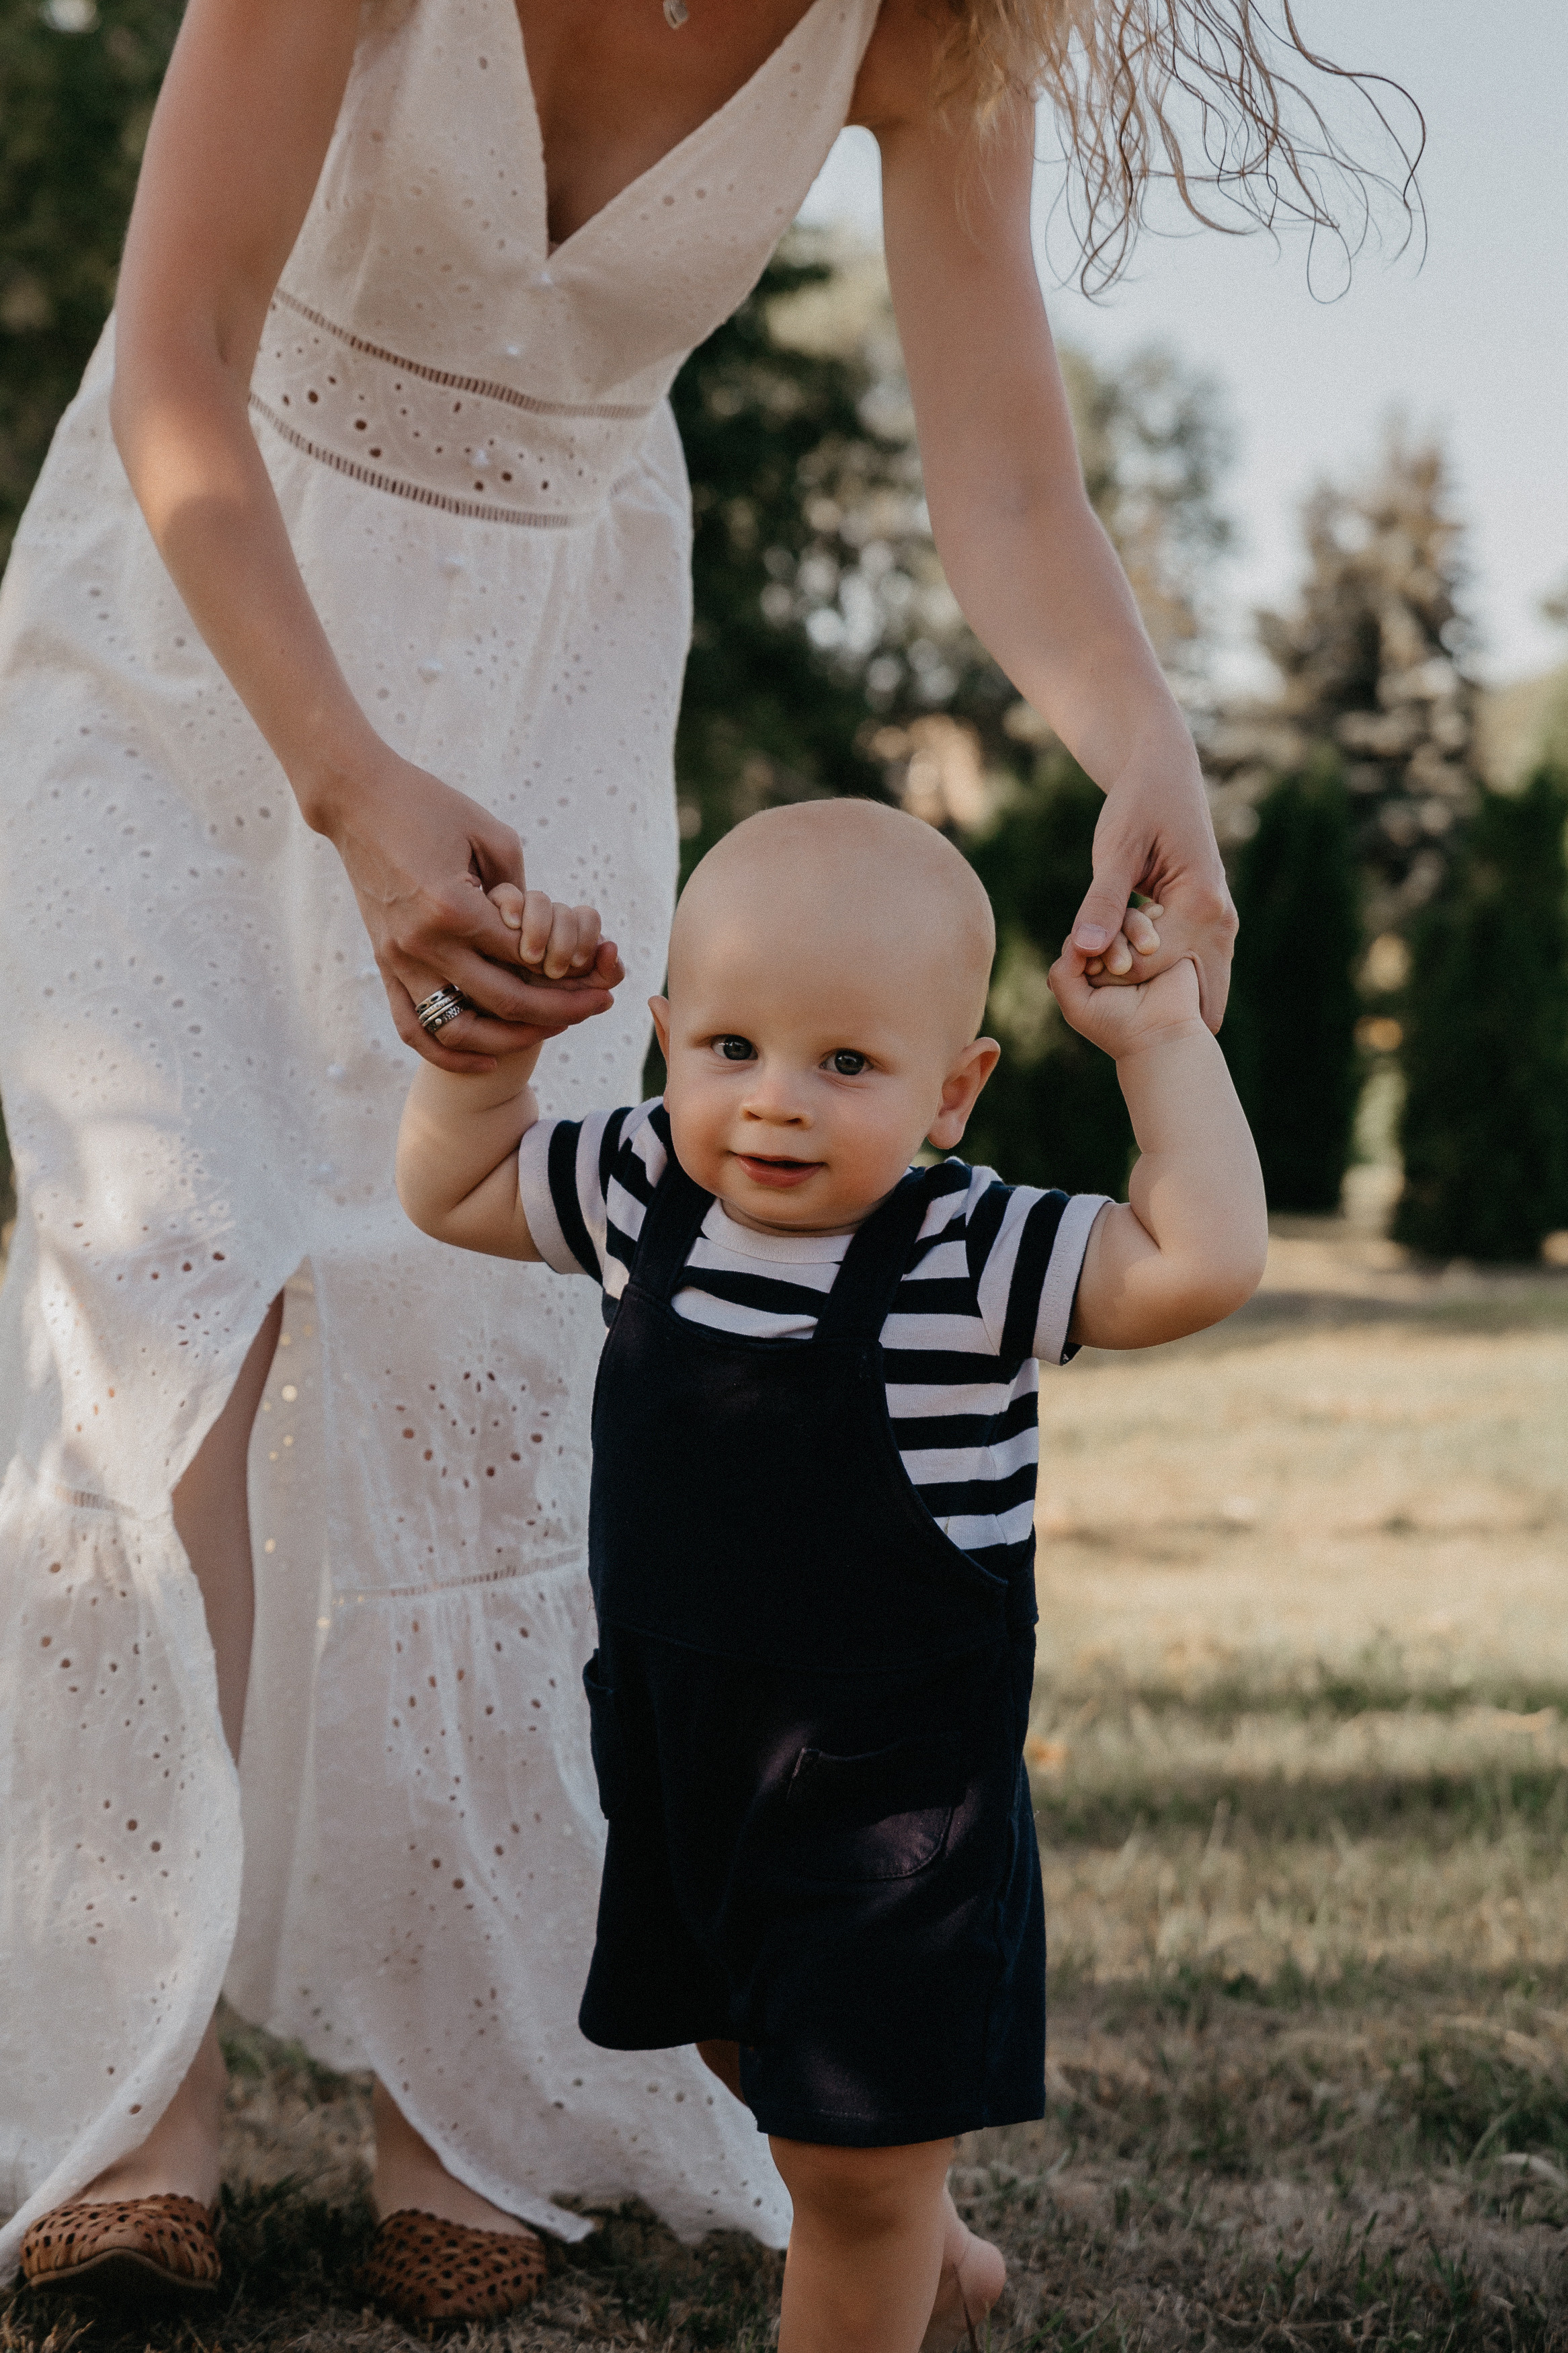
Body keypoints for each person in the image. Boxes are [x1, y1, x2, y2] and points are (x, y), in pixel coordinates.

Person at [0, 0, 1398, 2317]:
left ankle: (461, 2086)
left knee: (489, 1336)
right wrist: (345, 785)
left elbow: (1010, 483)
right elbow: (175, 354)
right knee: (167, 1284)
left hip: (536, 644)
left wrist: (1145, 732)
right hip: (198, 616)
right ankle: (124, 2099)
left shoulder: (932, 33)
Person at [395, 797, 1268, 2353]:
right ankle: (928, 2256)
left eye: (846, 1064)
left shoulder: (972, 1251)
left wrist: (1159, 1047)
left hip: (890, 1803)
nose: (774, 1104)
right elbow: (455, 1192)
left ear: (955, 1089)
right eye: (729, 1047)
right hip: (685, 1761)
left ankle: (886, 2247)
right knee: (749, 2047)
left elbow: (1197, 1260)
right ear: (664, 1035)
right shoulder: (637, 1185)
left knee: (843, 2158)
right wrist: (486, 1063)